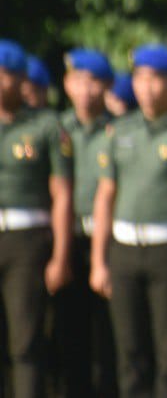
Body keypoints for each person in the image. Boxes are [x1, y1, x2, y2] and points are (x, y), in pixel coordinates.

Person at [90, 44, 167, 398]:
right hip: (124, 249)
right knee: (129, 351)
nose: (148, 87)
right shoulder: (120, 131)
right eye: (141, 78)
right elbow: (105, 197)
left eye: (158, 79)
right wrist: (99, 260)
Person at [0, 40, 74, 398]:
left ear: (19, 80)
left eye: (4, 75)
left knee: (25, 340)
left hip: (25, 238)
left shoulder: (45, 126)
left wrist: (60, 256)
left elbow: (61, 194)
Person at [53, 48, 119, 397]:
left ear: (107, 85)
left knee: (108, 338)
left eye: (94, 81)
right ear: (66, 83)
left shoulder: (120, 129)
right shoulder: (57, 129)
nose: (85, 89)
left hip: (109, 242)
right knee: (70, 334)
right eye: (78, 79)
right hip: (67, 241)